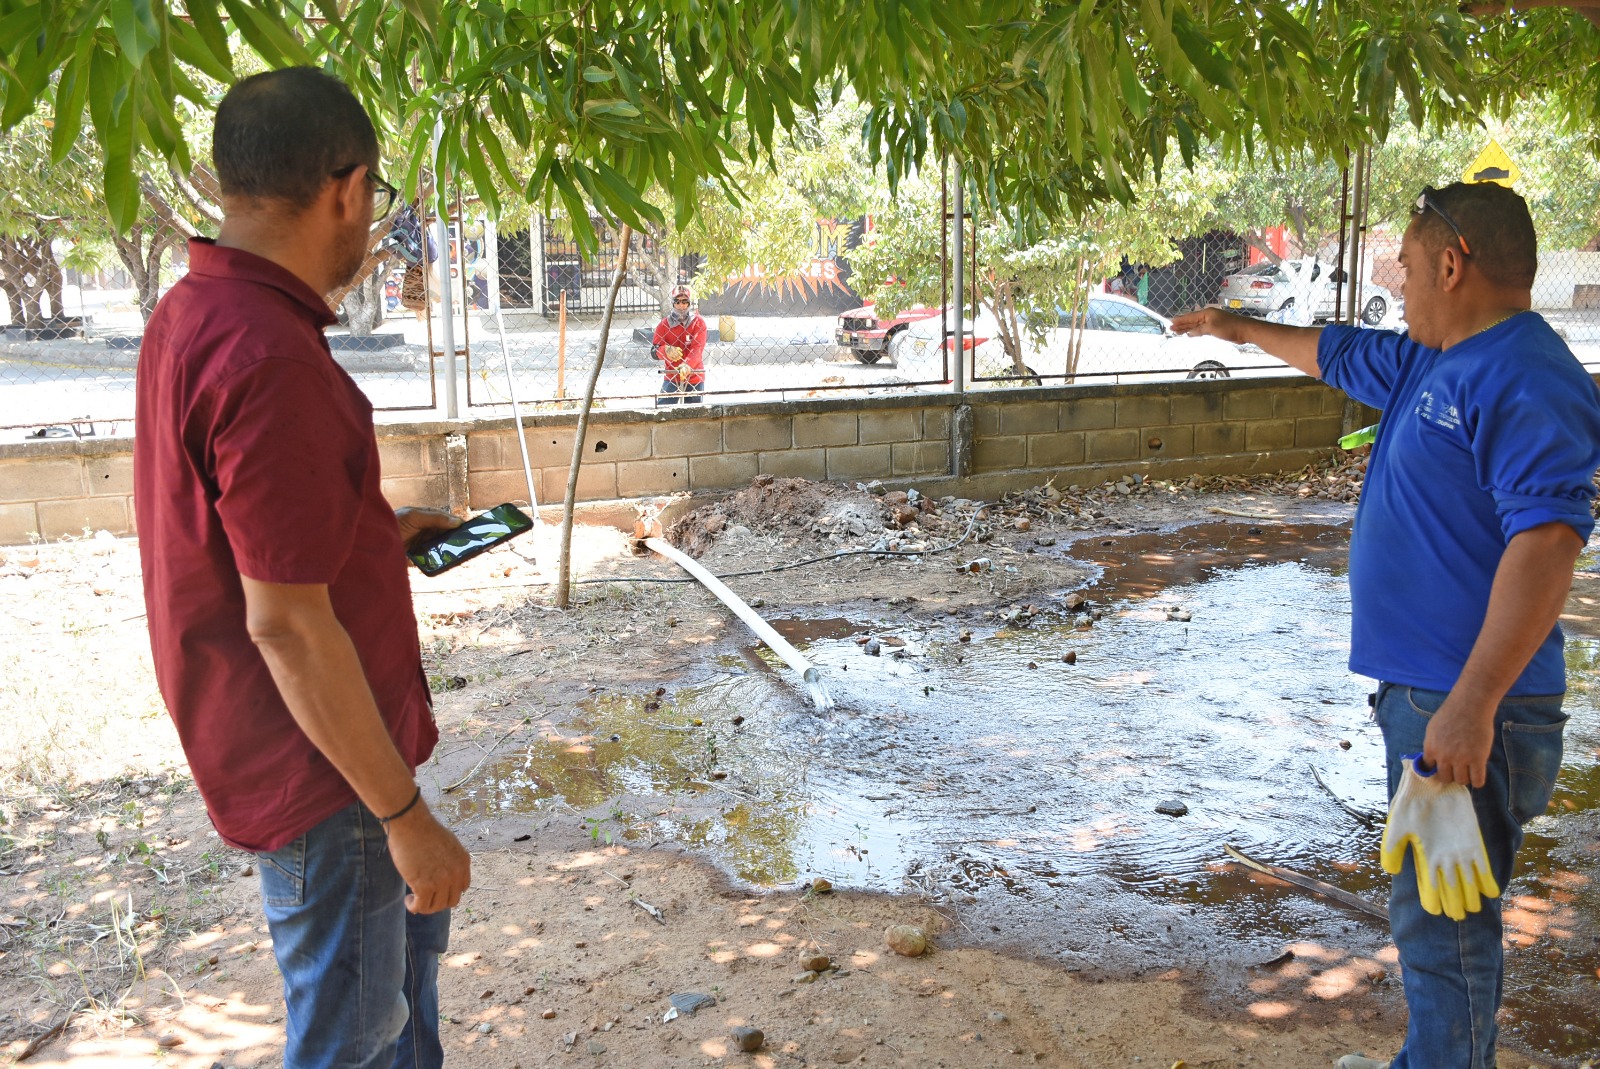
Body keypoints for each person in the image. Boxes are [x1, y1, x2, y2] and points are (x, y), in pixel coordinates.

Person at [1172, 181, 1600, 1069]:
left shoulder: (1525, 373)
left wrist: (1473, 703)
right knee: (1432, 916)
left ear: (1453, 264)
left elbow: (1548, 544)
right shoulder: (1430, 358)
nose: (1395, 286)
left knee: (1446, 933)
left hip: (1471, 704)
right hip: (1431, 694)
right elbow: (1334, 351)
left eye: (1404, 268)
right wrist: (1238, 327)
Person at [132, 67, 471, 1069]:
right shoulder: (266, 353)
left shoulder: (198, 312)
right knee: (357, 1042)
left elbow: (243, 534)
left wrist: (371, 533)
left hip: (308, 752)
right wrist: (405, 817)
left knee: (396, 1017)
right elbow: (282, 621)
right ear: (349, 189)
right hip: (328, 777)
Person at [651, 284, 707, 404]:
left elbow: (698, 348)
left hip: (694, 375)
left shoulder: (698, 322)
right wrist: (665, 350)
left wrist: (687, 365)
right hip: (672, 375)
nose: (681, 306)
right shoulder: (664, 325)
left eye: (685, 301)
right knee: (663, 409)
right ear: (673, 303)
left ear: (689, 303)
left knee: (694, 414)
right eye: (677, 301)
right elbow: (654, 351)